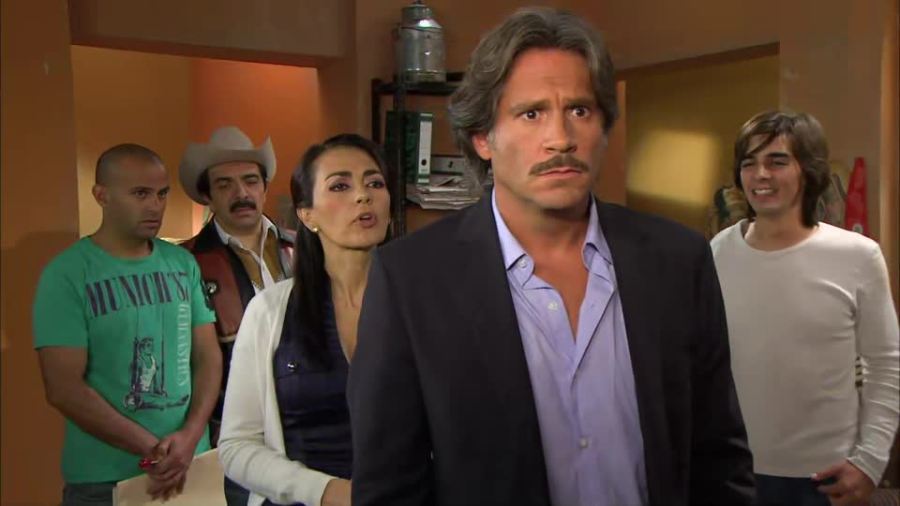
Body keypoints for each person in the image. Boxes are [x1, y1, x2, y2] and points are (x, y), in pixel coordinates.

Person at [348, 7, 755, 506]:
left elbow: (718, 458)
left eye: (579, 111)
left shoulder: (678, 260)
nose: (561, 139)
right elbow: (388, 487)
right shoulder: (412, 280)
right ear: (483, 138)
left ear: (604, 128)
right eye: (532, 113)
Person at [711, 110, 899, 506]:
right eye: (749, 163)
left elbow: (886, 365)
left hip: (826, 477)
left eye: (777, 161)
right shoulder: (717, 253)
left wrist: (869, 462)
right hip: (736, 471)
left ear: (808, 171)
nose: (761, 175)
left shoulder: (857, 256)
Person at [33, 144, 221, 506]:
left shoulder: (182, 263)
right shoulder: (67, 274)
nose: (155, 206)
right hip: (104, 479)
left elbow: (208, 358)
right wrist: (152, 450)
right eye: (140, 194)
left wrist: (190, 436)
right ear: (101, 196)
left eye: (162, 194)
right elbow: (63, 387)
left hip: (190, 465)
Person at [218, 134, 392, 506]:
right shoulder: (270, 311)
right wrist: (328, 492)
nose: (363, 196)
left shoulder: (421, 306)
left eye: (375, 183)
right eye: (341, 186)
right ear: (306, 214)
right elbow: (236, 446)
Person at [179, 126, 295, 504]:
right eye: (225, 184)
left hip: (305, 426)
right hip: (232, 435)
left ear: (264, 188)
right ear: (208, 196)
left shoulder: (306, 249)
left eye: (250, 181)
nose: (241, 193)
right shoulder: (186, 262)